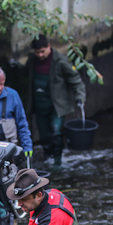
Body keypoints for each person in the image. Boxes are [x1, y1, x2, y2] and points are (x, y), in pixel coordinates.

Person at [27, 35, 87, 170]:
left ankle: (58, 161)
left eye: (42, 51)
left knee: (56, 132)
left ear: (49, 46)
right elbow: (26, 74)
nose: (40, 55)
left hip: (57, 106)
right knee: (43, 135)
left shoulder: (60, 61)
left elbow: (75, 80)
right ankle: (47, 157)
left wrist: (80, 97)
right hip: (39, 105)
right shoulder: (32, 61)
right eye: (37, 52)